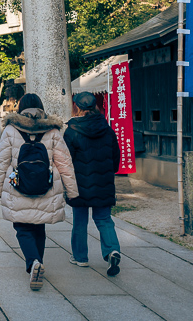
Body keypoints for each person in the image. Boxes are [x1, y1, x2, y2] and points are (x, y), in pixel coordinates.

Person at [0, 93, 78, 291]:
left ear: (21, 107)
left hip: (18, 186)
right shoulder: (53, 130)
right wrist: (72, 191)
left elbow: (2, 162)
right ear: (41, 107)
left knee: (22, 228)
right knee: (39, 227)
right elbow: (65, 163)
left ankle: (33, 263)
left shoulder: (10, 129)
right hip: (46, 186)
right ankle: (38, 261)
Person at [64, 91, 123, 276]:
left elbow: (67, 160)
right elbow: (116, 158)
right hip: (103, 182)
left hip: (80, 183)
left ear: (77, 107)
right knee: (104, 219)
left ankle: (80, 257)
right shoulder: (107, 129)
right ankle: (112, 250)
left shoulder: (72, 131)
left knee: (80, 221)